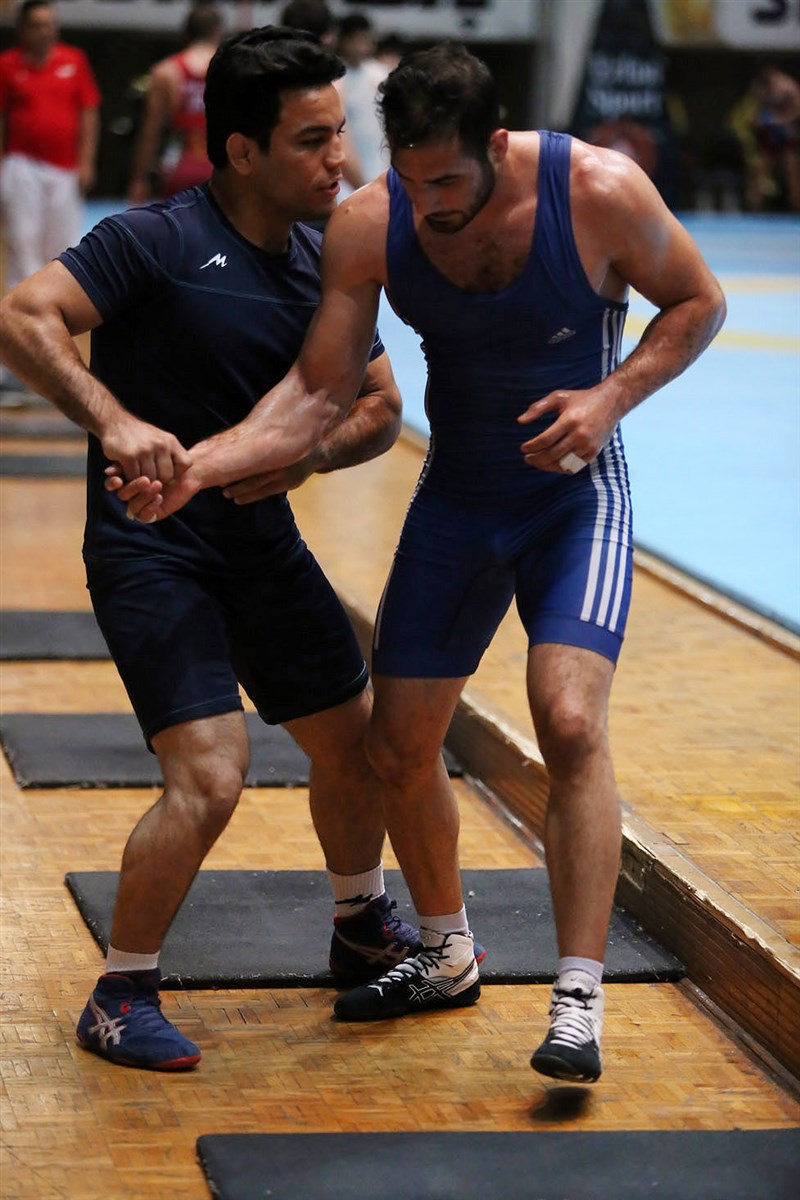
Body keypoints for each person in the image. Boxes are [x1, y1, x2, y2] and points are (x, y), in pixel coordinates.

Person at [100, 42, 726, 1083]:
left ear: (496, 146)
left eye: (447, 181)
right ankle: (445, 952)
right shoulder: (369, 222)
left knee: (568, 719)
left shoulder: (598, 190)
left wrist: (610, 397)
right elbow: (317, 392)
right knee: (393, 747)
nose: (427, 204)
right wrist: (195, 470)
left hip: (573, 496)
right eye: (409, 177)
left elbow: (698, 301)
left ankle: (577, 1000)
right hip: (459, 501)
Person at [0, 26, 424, 1073]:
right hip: (154, 552)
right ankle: (120, 993)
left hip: (261, 544)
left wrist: (310, 458)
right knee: (212, 776)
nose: (339, 160)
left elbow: (380, 406)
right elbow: (24, 315)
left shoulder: (327, 261)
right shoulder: (157, 238)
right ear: (241, 150)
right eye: (312, 140)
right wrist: (111, 419)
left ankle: (359, 923)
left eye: (340, 133)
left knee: (359, 744)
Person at [0, 0, 100, 396]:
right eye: (39, 25)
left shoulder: (74, 61)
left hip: (64, 172)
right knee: (22, 252)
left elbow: (89, 112)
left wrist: (86, 161)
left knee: (63, 257)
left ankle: (56, 357)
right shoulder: (8, 65)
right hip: (21, 168)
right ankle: (15, 358)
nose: (47, 31)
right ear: (24, 29)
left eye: (51, 24)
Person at [126, 1, 224, 205]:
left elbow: (150, 132)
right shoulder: (230, 68)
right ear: (217, 32)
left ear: (186, 34)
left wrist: (139, 178)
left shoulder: (166, 72)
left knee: (176, 223)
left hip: (179, 165)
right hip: (219, 166)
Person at [334, 13, 390, 195]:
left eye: (365, 37)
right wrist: (358, 182)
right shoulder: (335, 79)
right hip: (348, 176)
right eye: (356, 39)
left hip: (379, 166)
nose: (361, 44)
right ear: (344, 41)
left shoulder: (380, 75)